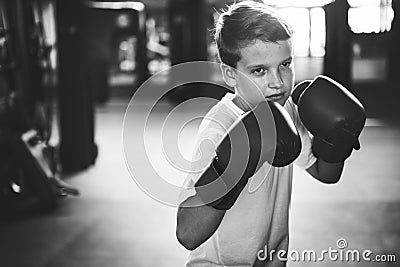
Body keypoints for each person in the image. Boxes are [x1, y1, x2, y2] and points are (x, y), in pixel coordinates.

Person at [176, 1, 363, 266]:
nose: (277, 82)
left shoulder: (285, 109)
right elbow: (187, 234)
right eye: (259, 70)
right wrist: (233, 166)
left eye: (285, 64)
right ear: (230, 74)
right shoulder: (219, 127)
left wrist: (337, 141)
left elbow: (325, 173)